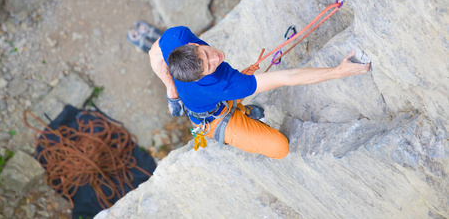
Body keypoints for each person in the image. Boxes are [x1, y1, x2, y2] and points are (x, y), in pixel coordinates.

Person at [149, 26, 371, 159]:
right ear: (200, 77)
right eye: (209, 67)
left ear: (191, 44)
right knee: (280, 148)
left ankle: (240, 109)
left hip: (208, 98)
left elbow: (153, 54)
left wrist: (172, 89)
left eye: (206, 53)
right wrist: (339, 72)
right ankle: (238, 113)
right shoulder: (225, 84)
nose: (216, 58)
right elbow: (287, 78)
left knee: (240, 88)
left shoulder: (176, 37)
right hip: (212, 120)